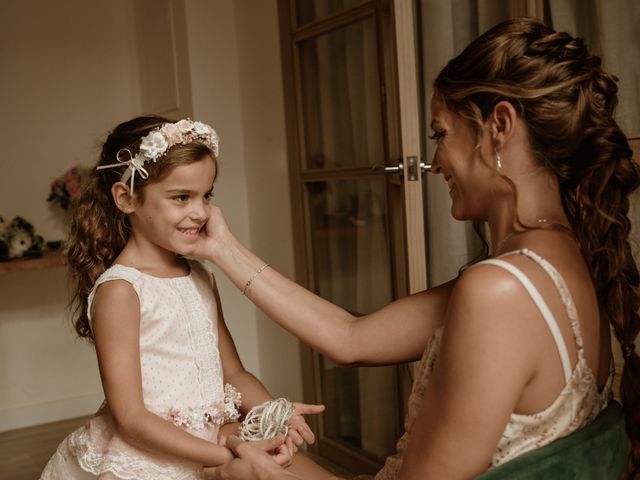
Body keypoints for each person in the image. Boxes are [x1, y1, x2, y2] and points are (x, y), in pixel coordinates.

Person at [195, 17, 640, 480]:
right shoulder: (558, 261)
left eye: (440, 134)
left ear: (500, 126)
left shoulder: (500, 291)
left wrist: (266, 477)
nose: (435, 162)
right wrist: (223, 248)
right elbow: (351, 339)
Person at [40, 116, 325, 480]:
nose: (201, 212)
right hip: (149, 461)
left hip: (210, 445)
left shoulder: (201, 275)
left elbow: (233, 372)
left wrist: (274, 411)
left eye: (206, 195)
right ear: (126, 198)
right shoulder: (121, 290)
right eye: (181, 197)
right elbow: (131, 418)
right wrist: (227, 452)